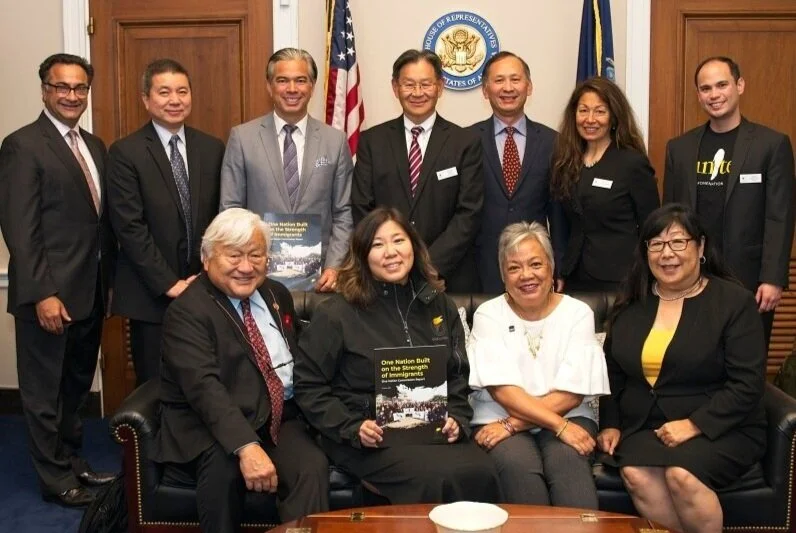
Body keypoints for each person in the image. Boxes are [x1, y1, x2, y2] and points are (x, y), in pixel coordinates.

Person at [294, 206, 501, 504]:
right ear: (362, 254)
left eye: (398, 240)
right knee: (435, 479)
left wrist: (457, 417)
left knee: (482, 471)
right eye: (377, 244)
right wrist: (352, 427)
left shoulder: (439, 305)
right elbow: (309, 386)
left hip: (431, 429)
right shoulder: (336, 313)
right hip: (366, 435)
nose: (390, 252)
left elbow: (457, 375)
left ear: (414, 246)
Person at [152, 208, 329, 532]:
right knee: (224, 470)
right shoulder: (187, 311)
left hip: (275, 417)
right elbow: (204, 389)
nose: (246, 267)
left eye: (255, 255)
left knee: (311, 466)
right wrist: (246, 446)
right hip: (207, 424)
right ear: (207, 259)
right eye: (234, 255)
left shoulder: (276, 294)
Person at [597, 203, 767, 533]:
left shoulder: (733, 302)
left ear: (700, 247)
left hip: (723, 426)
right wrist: (612, 423)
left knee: (682, 475)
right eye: (657, 244)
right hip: (648, 425)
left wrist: (694, 425)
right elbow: (613, 373)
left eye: (678, 242)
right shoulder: (632, 301)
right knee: (635, 473)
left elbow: (747, 384)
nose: (667, 254)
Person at [0, 53, 116, 506]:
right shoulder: (22, 145)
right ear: (45, 90)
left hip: (88, 293)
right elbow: (20, 229)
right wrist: (42, 293)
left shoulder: (94, 145)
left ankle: (72, 460)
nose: (71, 95)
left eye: (79, 87)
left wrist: (107, 285)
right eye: (61, 86)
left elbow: (97, 224)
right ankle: (55, 480)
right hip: (48, 296)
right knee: (44, 393)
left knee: (74, 388)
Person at [467, 222, 609, 507]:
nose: (526, 275)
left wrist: (513, 425)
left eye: (535, 264)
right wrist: (558, 426)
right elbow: (503, 392)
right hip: (498, 415)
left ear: (551, 267)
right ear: (503, 275)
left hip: (567, 414)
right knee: (518, 468)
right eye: (514, 267)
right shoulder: (488, 314)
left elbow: (572, 393)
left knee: (568, 461)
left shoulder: (578, 313)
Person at [107, 58, 224, 385]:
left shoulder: (212, 148)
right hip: (151, 296)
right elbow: (129, 227)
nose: (175, 100)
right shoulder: (125, 153)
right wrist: (170, 284)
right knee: (155, 388)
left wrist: (207, 275)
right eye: (164, 92)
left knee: (203, 382)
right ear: (146, 99)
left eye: (182, 91)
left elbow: (220, 217)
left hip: (205, 289)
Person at [663, 56, 794, 345]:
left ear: (740, 85)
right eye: (706, 88)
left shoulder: (771, 145)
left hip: (749, 280)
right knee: (690, 356)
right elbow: (669, 217)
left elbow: (780, 217)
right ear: (698, 95)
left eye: (722, 85)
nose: (714, 94)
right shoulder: (679, 149)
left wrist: (772, 278)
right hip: (690, 276)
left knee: (746, 358)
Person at [220, 47, 353, 292]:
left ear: (312, 86)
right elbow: (230, 209)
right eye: (282, 80)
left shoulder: (335, 141)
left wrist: (334, 266)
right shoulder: (242, 138)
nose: (292, 89)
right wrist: (243, 264)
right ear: (269, 86)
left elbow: (343, 212)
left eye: (300, 80)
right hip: (257, 277)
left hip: (321, 280)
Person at [352, 49, 483, 293]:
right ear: (395, 88)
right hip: (385, 273)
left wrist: (428, 265)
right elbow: (362, 207)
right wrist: (392, 257)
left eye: (426, 84)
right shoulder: (372, 141)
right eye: (409, 84)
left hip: (447, 276)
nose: (417, 92)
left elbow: (469, 213)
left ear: (440, 87)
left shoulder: (465, 142)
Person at [551, 77, 659, 292]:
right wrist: (560, 269)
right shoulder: (565, 160)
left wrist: (649, 275)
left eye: (600, 111)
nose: (590, 119)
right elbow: (561, 223)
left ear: (614, 117)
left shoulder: (632, 163)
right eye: (583, 111)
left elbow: (652, 226)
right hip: (574, 275)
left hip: (620, 278)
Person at [470, 52, 564, 294]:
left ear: (529, 86)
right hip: (479, 267)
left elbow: (559, 213)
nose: (508, 88)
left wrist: (560, 267)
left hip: (534, 269)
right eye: (499, 80)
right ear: (485, 90)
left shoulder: (553, 142)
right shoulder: (466, 140)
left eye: (515, 79)